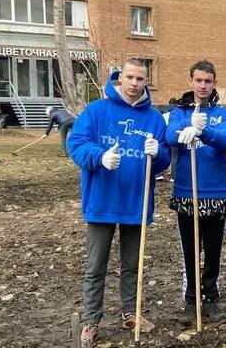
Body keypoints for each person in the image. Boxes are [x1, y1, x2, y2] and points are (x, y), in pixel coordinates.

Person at [66, 58, 170, 347]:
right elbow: (76, 144)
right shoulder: (97, 111)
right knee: (95, 266)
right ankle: (92, 320)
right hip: (102, 201)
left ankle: (130, 312)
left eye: (140, 78)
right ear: (119, 78)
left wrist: (158, 153)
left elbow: (164, 159)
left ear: (145, 81)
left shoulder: (154, 119)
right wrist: (99, 156)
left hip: (136, 202)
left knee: (132, 265)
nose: (135, 83)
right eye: (130, 77)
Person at [165, 60, 226, 324]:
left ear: (214, 82)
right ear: (191, 81)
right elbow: (169, 135)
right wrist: (186, 129)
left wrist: (204, 130)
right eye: (198, 80)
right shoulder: (179, 113)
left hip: (216, 193)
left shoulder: (224, 114)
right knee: (190, 250)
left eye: (208, 81)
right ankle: (191, 298)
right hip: (187, 191)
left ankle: (211, 296)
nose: (203, 85)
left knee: (213, 250)